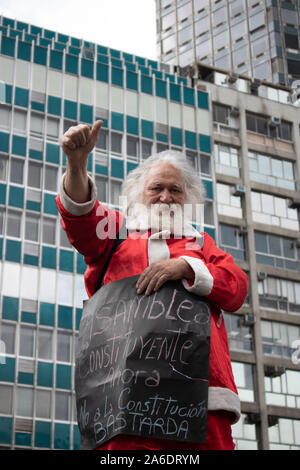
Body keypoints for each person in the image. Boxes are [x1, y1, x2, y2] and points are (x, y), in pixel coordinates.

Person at [56, 121, 249, 451]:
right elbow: (81, 218)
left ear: (187, 199)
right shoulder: (115, 234)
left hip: (201, 397)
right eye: (156, 187)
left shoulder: (202, 244)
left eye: (176, 190)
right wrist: (76, 165)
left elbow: (236, 288)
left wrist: (186, 266)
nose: (165, 196)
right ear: (137, 196)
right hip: (123, 398)